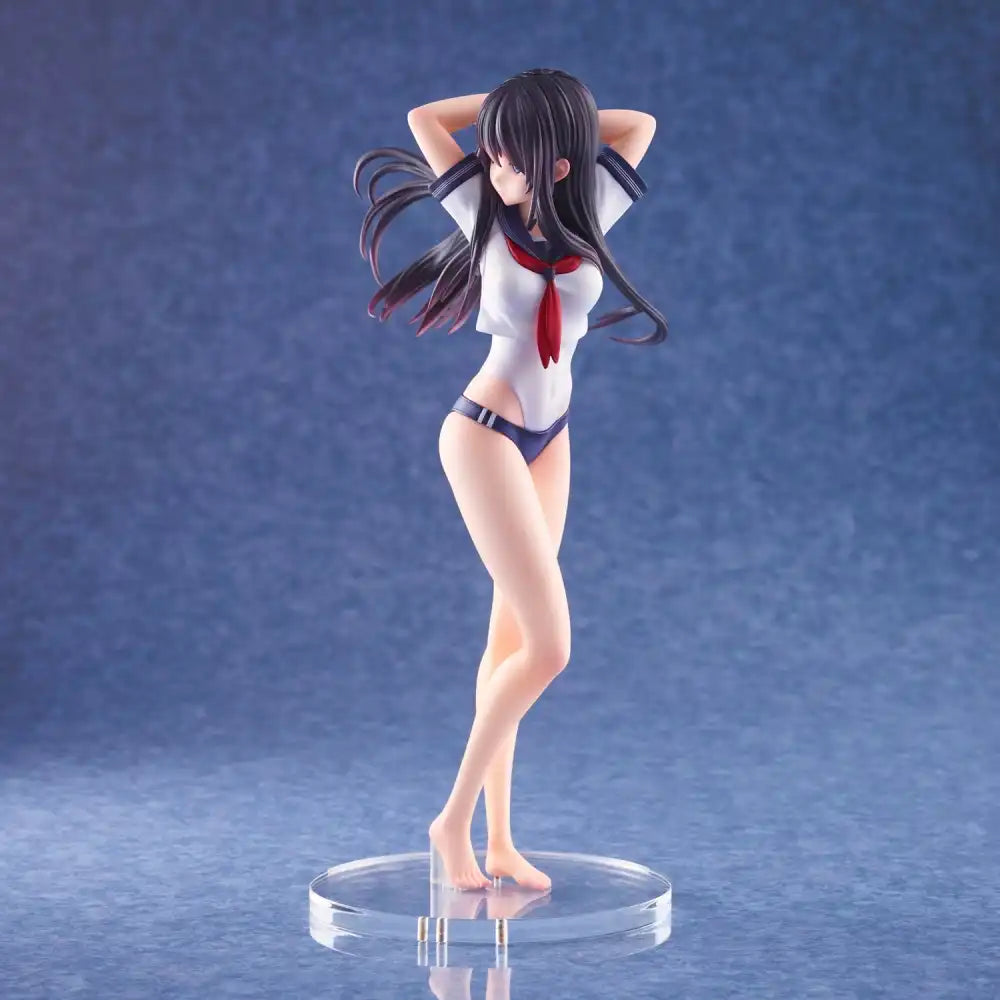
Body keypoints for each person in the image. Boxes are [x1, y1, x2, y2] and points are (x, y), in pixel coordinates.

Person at [354, 68, 666, 890]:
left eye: (510, 156)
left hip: (552, 436)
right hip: (486, 435)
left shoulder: (592, 209)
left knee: (511, 645)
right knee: (551, 650)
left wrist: (559, 120)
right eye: (490, 153)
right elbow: (424, 116)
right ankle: (450, 821)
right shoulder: (481, 215)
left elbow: (638, 125)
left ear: (558, 163)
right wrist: (509, 110)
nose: (493, 167)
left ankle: (499, 841)